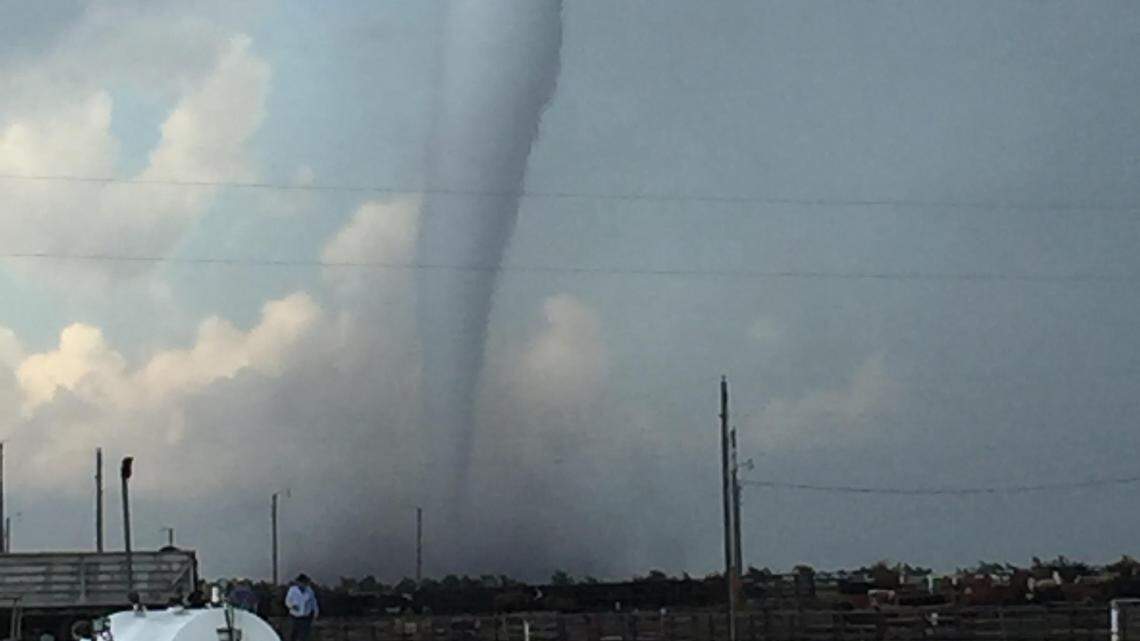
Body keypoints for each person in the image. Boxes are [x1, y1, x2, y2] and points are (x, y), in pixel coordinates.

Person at [285, 573, 319, 641]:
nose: (303, 584)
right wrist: (292, 606)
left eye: (305, 583)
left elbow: (314, 603)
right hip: (294, 617)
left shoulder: (310, 591)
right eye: (301, 582)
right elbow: (287, 601)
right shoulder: (292, 590)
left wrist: (316, 613)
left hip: (305, 618)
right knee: (292, 636)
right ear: (298, 583)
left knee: (303, 637)